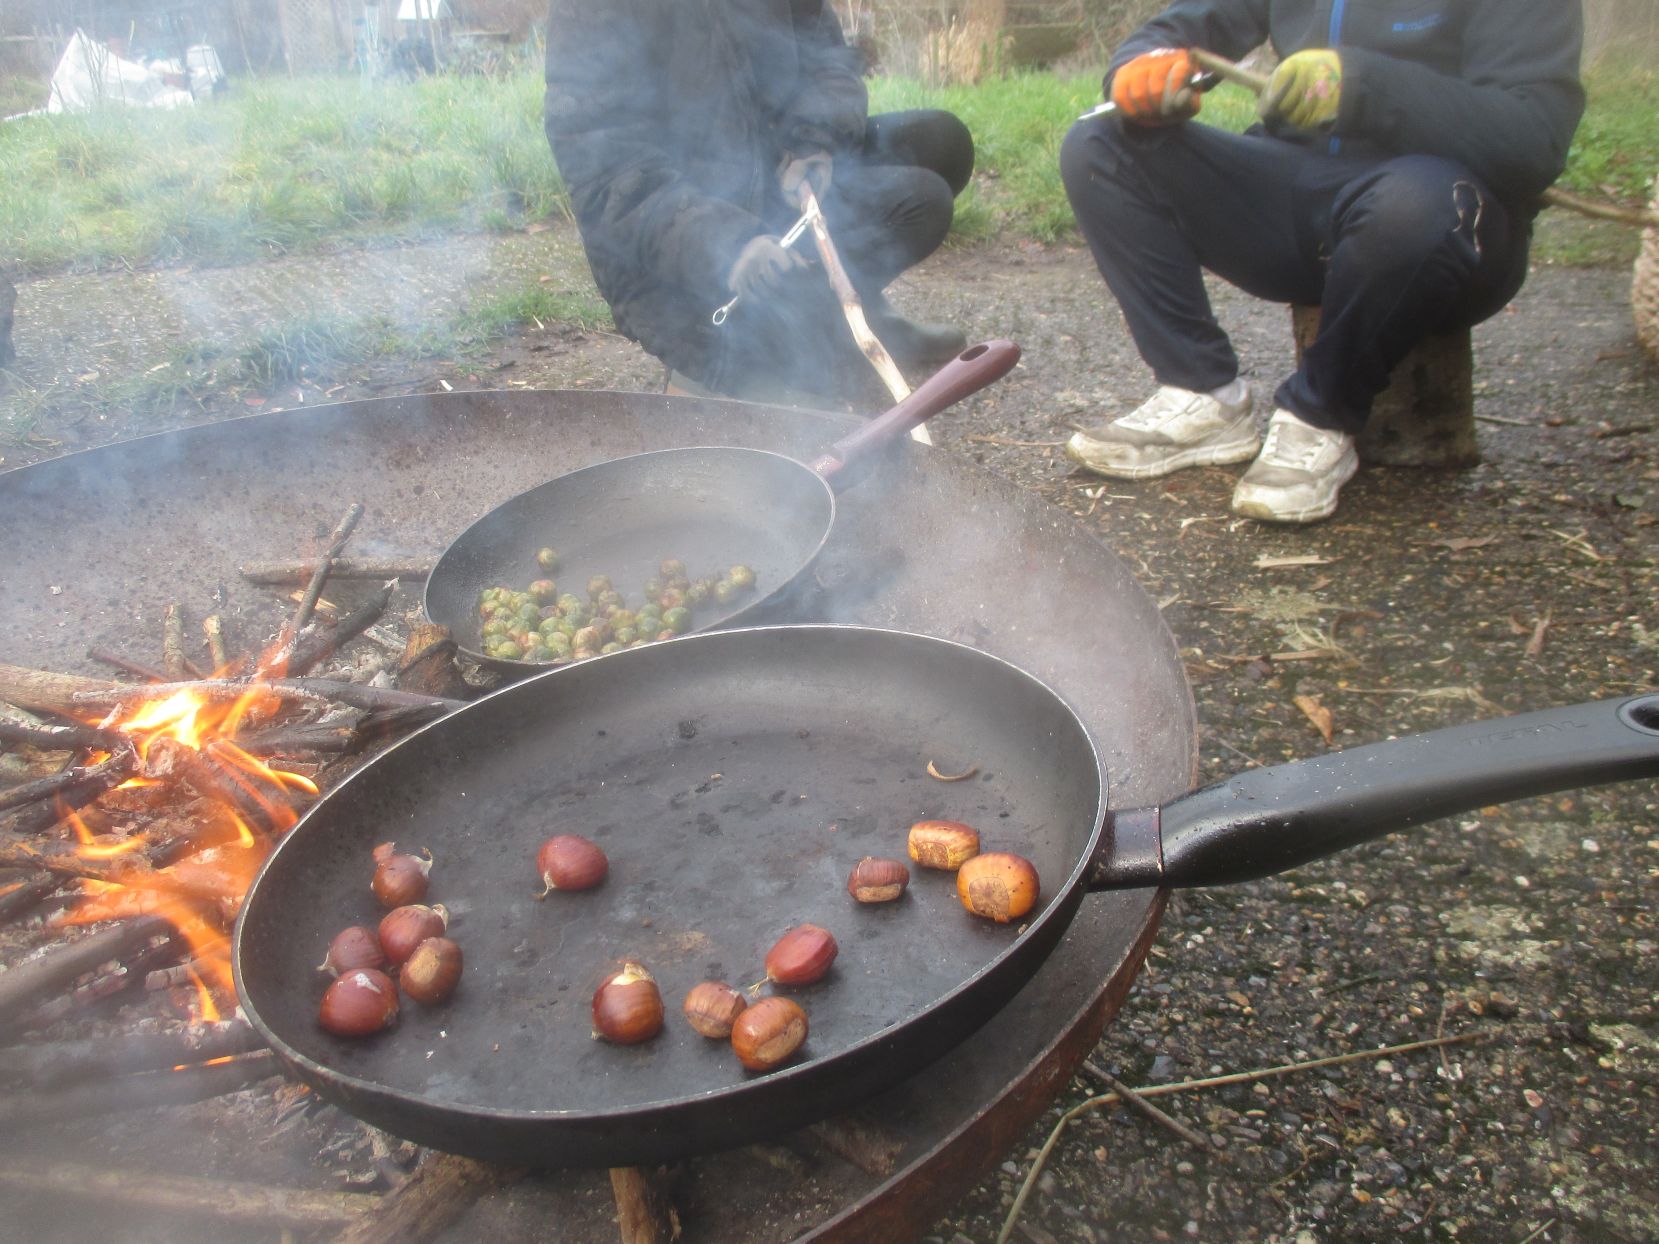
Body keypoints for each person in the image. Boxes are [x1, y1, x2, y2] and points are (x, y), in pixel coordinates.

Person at [1059, 1, 1585, 522]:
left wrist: (1363, 86)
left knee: (1412, 207)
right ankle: (1201, 392)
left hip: (1441, 222)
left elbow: (1533, 138)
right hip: (1298, 198)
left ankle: (1318, 414)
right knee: (1100, 144)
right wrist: (1140, 68)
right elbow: (1186, 24)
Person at [544, 0, 973, 408]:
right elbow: (608, 177)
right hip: (684, 238)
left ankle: (855, 316)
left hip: (772, 170)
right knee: (924, 201)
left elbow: (825, 56)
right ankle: (740, 359)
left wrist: (814, 141)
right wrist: (728, 242)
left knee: (942, 142)